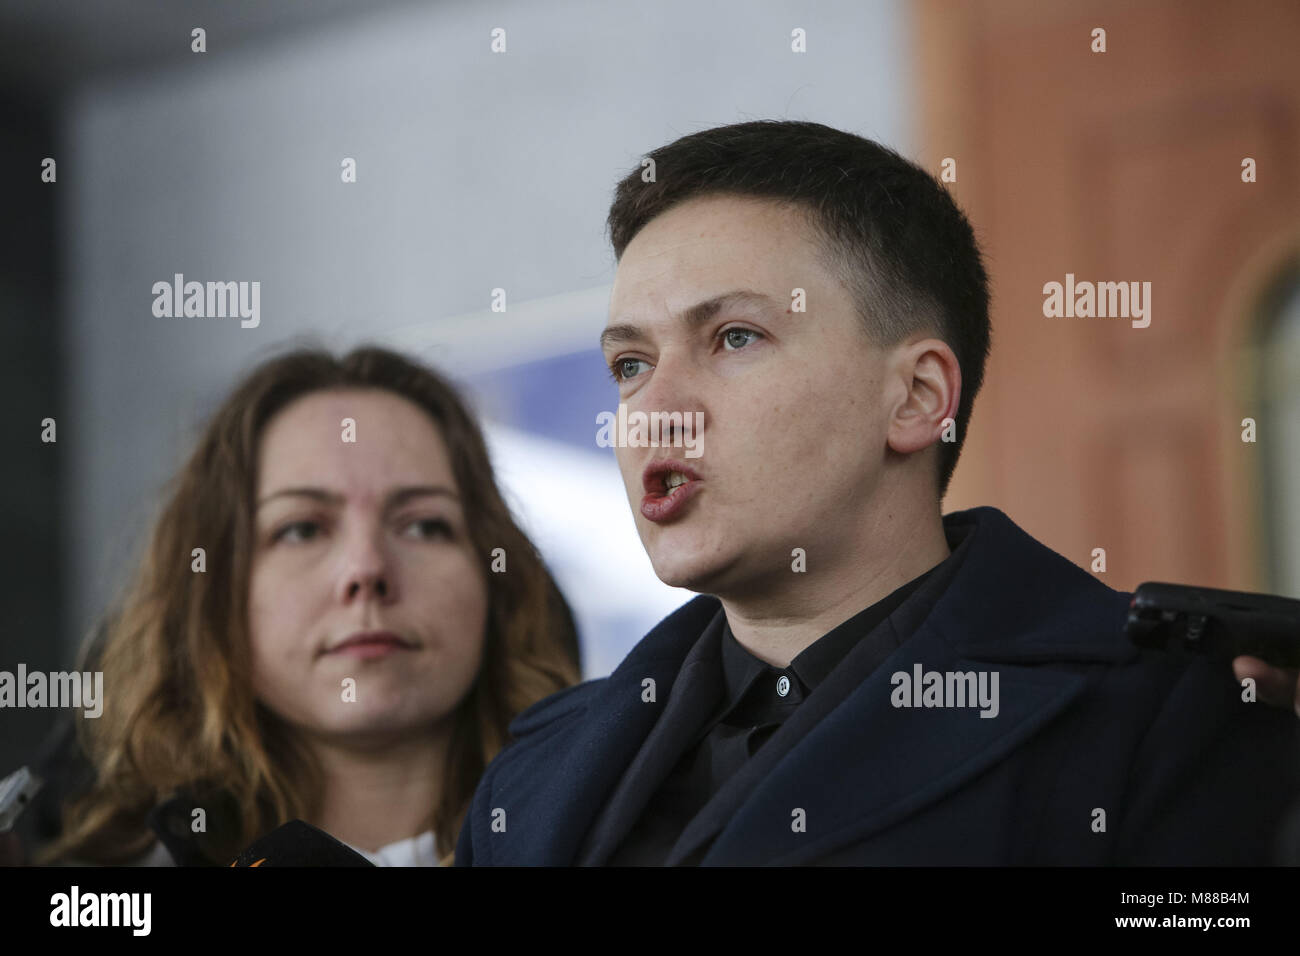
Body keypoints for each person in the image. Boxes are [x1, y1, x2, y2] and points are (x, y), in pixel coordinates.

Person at [455, 120, 1300, 866]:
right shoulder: (535, 769)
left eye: (735, 337)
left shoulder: (1168, 715)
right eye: (631, 365)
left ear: (917, 397)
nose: (656, 414)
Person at [29, 345, 580, 866]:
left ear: (494, 577)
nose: (366, 569)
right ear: (216, 591)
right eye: (301, 530)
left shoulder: (618, 839)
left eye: (423, 525)